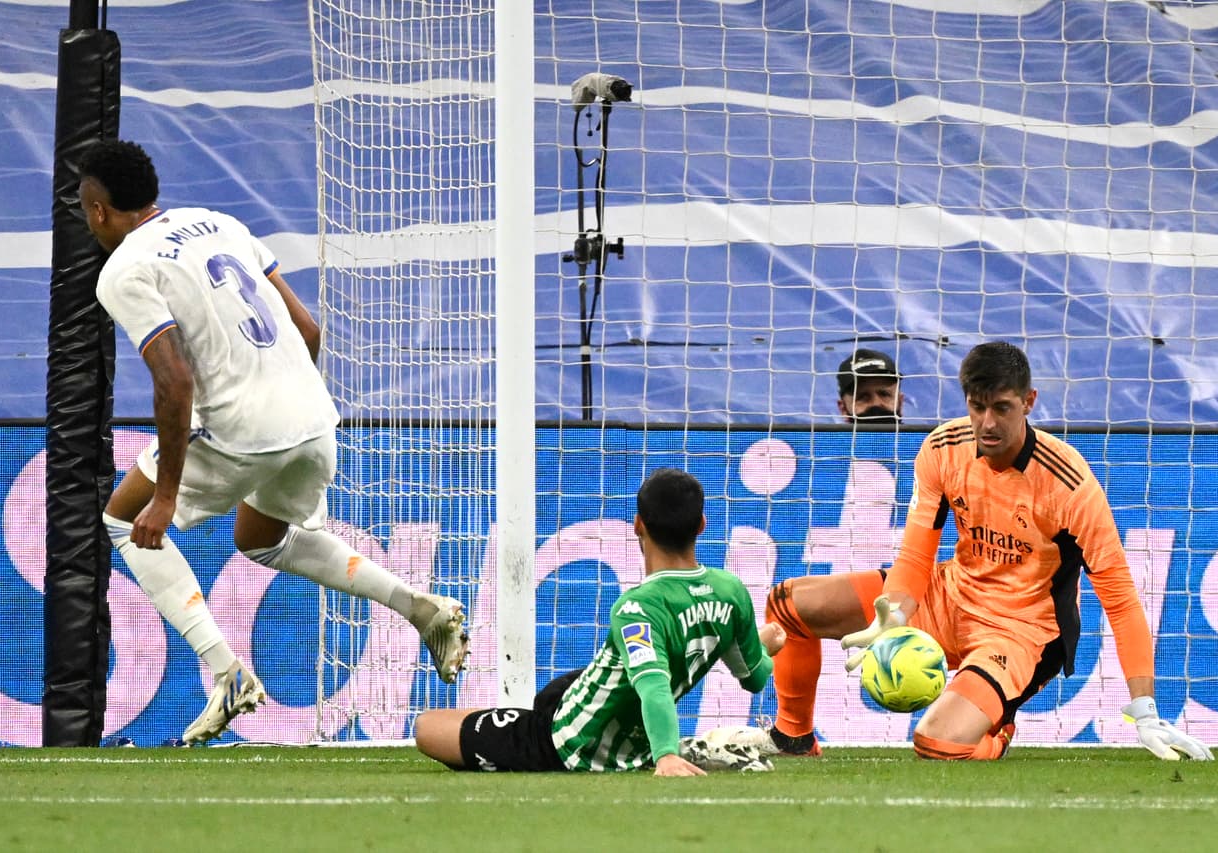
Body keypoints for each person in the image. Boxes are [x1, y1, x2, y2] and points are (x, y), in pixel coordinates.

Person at [78, 139, 470, 744]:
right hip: (314, 416)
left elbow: (174, 381)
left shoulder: (124, 270)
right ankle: (421, 608)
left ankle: (227, 673)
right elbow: (307, 328)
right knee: (260, 538)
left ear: (99, 210)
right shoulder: (222, 223)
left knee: (122, 519)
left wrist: (169, 494)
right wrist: (284, 408)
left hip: (240, 425)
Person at [762, 341, 1212, 761]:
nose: (988, 423)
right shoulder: (943, 448)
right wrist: (894, 615)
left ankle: (998, 730)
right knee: (789, 605)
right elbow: (917, 556)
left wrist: (1145, 710)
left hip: (1022, 630)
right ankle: (794, 738)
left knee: (935, 743)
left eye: (1002, 408)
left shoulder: (1070, 484)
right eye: (977, 408)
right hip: (951, 595)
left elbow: (1121, 598)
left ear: (1029, 402)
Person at [414, 467, 787, 775]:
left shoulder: (637, 607)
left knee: (427, 728)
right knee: (558, 690)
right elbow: (754, 677)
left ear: (638, 525)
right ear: (702, 524)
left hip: (568, 744)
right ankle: (681, 746)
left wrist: (667, 755)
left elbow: (654, 686)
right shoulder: (730, 589)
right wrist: (764, 643)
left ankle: (686, 749)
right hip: (593, 702)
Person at [837, 348, 904, 424]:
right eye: (862, 397)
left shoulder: (918, 435)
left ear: (900, 402)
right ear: (843, 409)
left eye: (884, 394)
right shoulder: (825, 436)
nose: (876, 403)